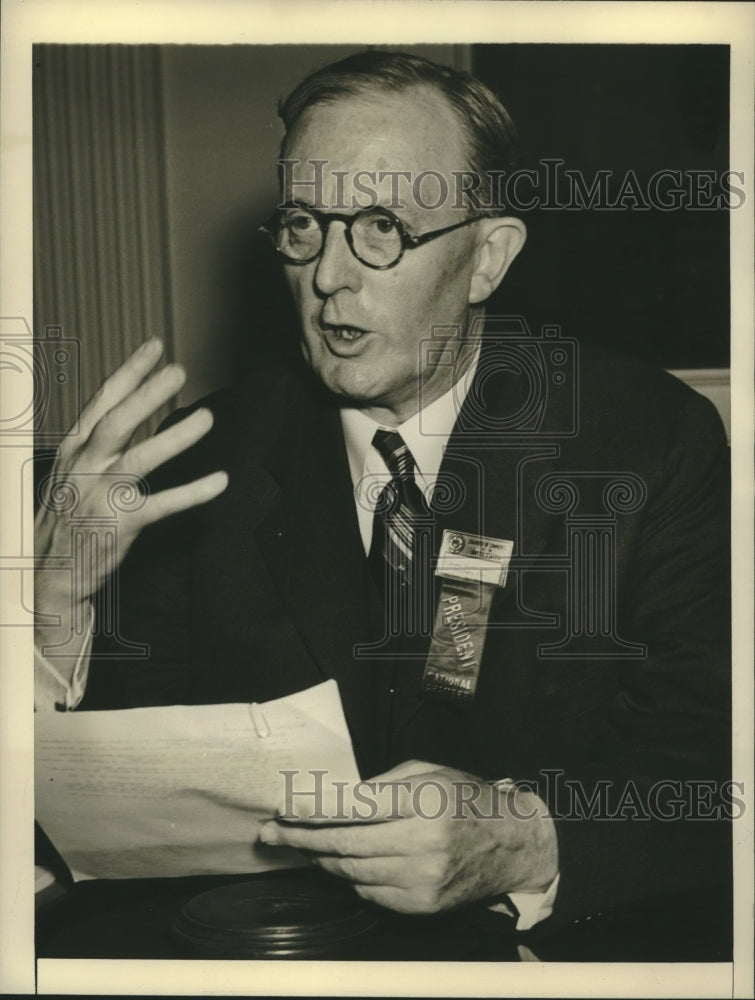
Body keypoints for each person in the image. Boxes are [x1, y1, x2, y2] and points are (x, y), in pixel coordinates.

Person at [35, 51, 731, 947]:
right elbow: (106, 801)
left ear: (487, 258)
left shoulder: (646, 442)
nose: (327, 277)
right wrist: (50, 609)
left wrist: (527, 842)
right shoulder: (199, 462)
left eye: (378, 227)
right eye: (302, 225)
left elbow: (706, 769)